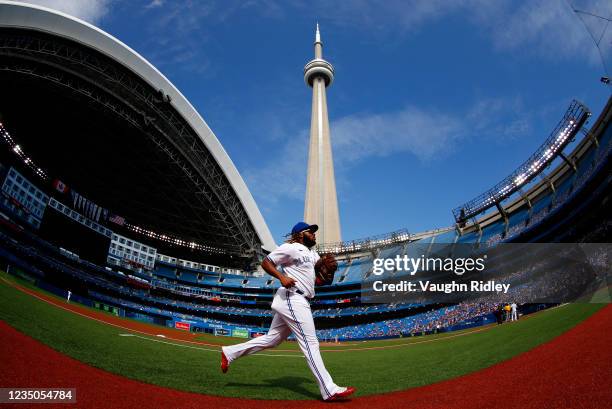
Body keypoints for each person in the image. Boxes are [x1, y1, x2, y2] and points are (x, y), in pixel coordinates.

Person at [220, 222, 355, 401]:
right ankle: (329, 389)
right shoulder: (291, 248)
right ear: (300, 234)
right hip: (293, 297)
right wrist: (282, 277)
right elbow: (266, 262)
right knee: (310, 343)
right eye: (310, 232)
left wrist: (329, 273)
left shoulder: (312, 254)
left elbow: (320, 281)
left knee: (272, 339)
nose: (314, 234)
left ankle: (229, 353)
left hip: (300, 299)